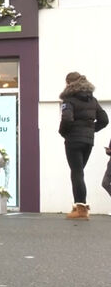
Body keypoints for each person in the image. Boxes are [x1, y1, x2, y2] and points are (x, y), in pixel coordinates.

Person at [58, 72, 108, 220]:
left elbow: (67, 119)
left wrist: (63, 132)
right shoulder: (92, 100)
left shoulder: (69, 100)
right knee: (79, 172)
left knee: (76, 172)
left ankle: (81, 209)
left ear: (69, 83)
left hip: (73, 140)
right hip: (88, 141)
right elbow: (104, 119)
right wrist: (91, 130)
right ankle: (79, 206)